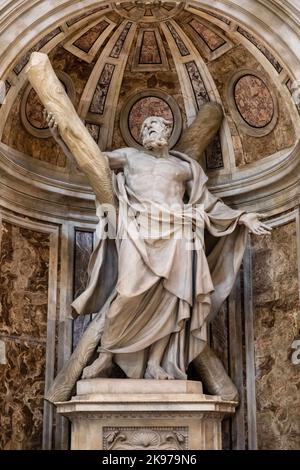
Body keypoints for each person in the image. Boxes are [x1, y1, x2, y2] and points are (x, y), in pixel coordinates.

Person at [44, 105, 271, 403]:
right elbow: (88, 161)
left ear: (168, 133)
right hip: (139, 231)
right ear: (140, 136)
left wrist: (243, 218)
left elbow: (209, 204)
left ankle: (155, 363)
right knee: (126, 293)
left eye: (156, 125)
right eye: (146, 126)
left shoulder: (184, 167)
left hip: (179, 234)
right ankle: (106, 355)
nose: (151, 128)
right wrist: (60, 136)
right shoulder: (129, 156)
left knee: (173, 300)